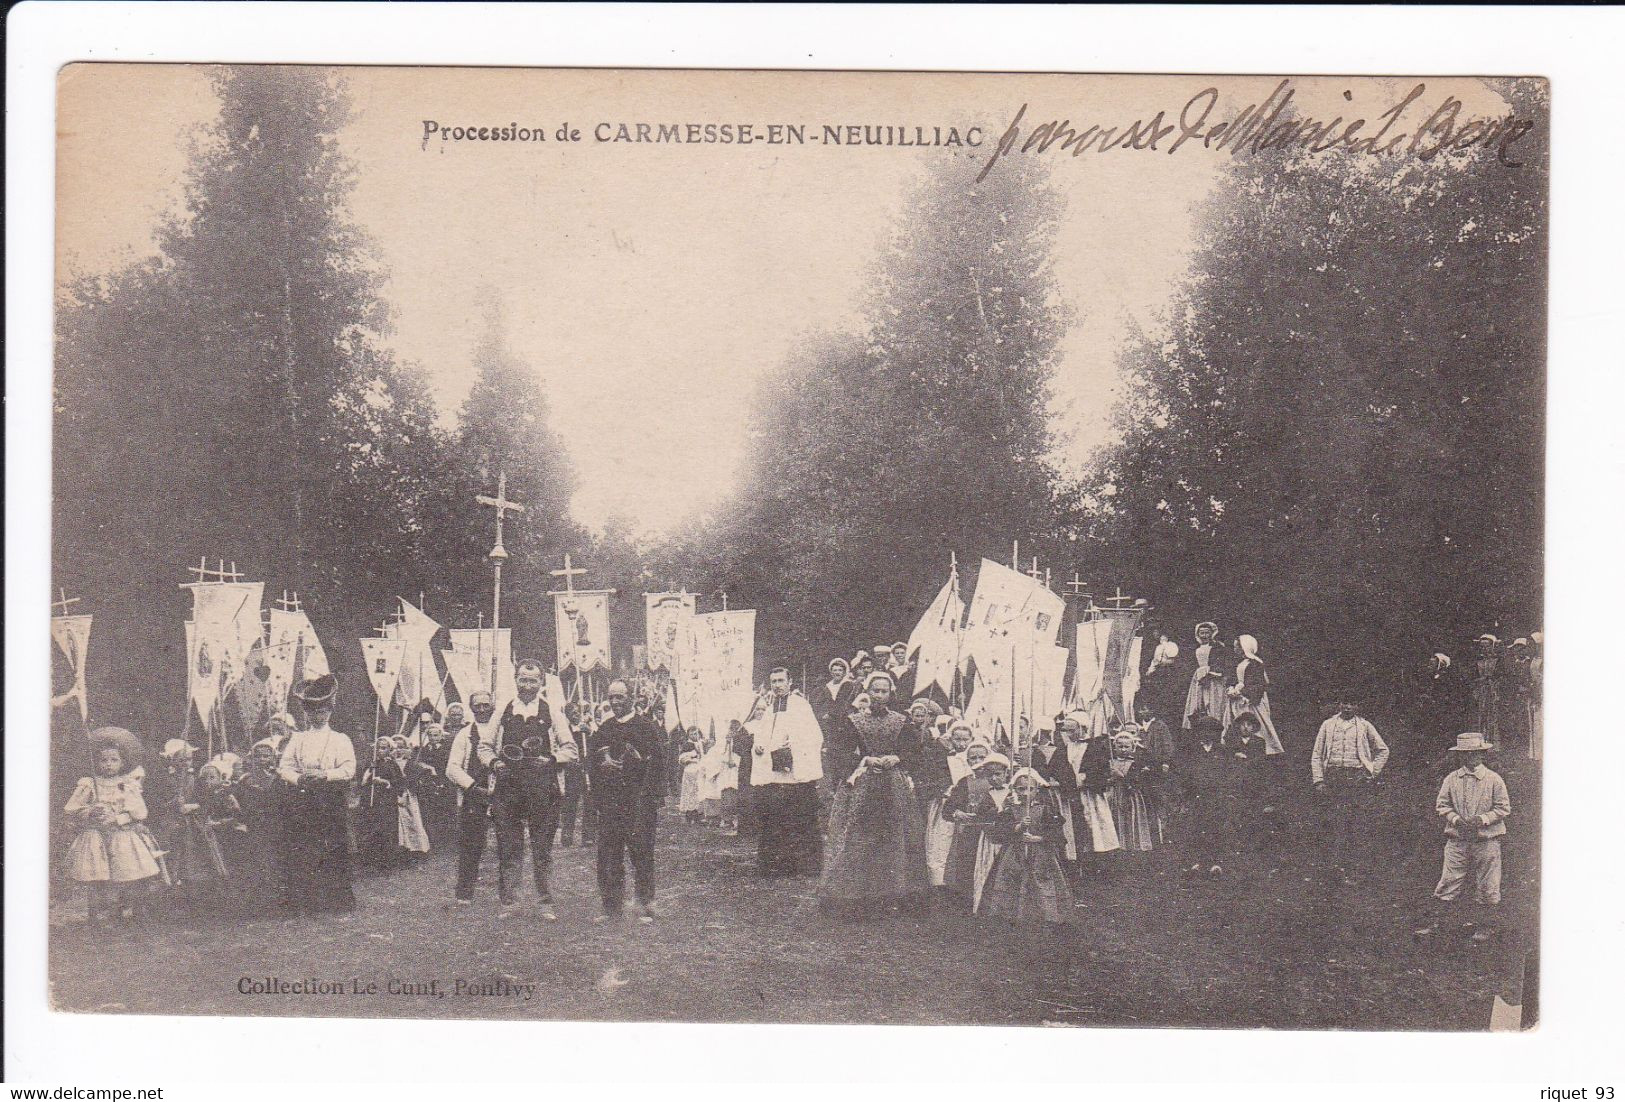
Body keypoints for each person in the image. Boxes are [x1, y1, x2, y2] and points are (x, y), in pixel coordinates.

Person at [820, 672, 928, 914]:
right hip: (865, 783)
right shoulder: (853, 721)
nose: (880, 696)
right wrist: (864, 759)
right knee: (859, 833)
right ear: (867, 692)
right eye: (875, 691)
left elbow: (916, 753)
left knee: (895, 834)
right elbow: (838, 752)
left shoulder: (902, 721)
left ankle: (894, 893)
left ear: (891, 694)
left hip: (893, 784)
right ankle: (857, 894)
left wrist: (897, 757)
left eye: (884, 691)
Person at [480, 660, 569, 919]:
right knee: (509, 847)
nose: (527, 685)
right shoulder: (503, 711)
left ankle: (545, 903)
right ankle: (510, 903)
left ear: (542, 682)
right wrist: (494, 762)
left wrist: (551, 760)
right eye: (523, 679)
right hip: (508, 787)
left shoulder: (552, 711)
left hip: (542, 789)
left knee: (542, 849)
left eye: (533, 680)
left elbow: (570, 748)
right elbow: (484, 746)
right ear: (516, 680)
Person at [63, 728, 164, 924]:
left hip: (120, 833)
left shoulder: (126, 784)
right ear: (96, 762)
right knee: (97, 874)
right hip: (95, 834)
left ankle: (125, 909)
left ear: (122, 762)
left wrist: (117, 819)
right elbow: (72, 808)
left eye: (114, 760)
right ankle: (98, 912)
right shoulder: (90, 784)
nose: (108, 764)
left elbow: (139, 813)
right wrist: (90, 811)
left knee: (124, 872)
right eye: (104, 760)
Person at [1419, 733, 1511, 944]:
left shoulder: (1494, 779)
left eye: (1476, 753)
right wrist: (1456, 819)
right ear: (1460, 756)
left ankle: (1484, 926)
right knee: (1449, 880)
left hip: (1486, 839)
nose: (1472, 757)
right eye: (1466, 754)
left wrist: (1482, 819)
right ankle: (1437, 924)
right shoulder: (1451, 779)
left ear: (1482, 754)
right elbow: (1442, 805)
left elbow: (1503, 807)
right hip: (1457, 839)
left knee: (1488, 883)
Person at [276, 675, 357, 914]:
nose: (317, 716)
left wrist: (325, 775)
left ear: (330, 712)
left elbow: (348, 769)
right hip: (303, 798)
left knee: (333, 846)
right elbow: (284, 767)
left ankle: (338, 900)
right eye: (312, 712)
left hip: (330, 798)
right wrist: (299, 778)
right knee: (306, 847)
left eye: (322, 711)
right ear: (306, 713)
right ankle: (310, 900)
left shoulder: (340, 739)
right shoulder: (298, 739)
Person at [587, 679, 666, 922]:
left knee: (641, 852)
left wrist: (649, 794)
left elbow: (659, 765)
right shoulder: (605, 728)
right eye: (611, 697)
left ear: (631, 698)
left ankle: (644, 904)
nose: (615, 702)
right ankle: (611, 906)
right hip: (611, 802)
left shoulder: (646, 727)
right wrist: (603, 765)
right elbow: (592, 762)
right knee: (609, 854)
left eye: (620, 697)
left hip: (638, 801)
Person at [749, 667, 826, 877]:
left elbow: (814, 736)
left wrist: (793, 750)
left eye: (781, 680)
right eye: (773, 681)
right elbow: (762, 735)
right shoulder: (770, 707)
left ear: (790, 682)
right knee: (774, 820)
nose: (777, 685)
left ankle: (804, 865)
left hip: (796, 773)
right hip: (774, 773)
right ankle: (776, 865)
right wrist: (759, 746)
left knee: (800, 819)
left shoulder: (801, 706)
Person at [980, 767, 1077, 928]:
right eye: (1021, 789)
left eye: (1030, 789)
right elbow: (999, 834)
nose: (1025, 793)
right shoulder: (1010, 810)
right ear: (1014, 790)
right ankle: (1014, 914)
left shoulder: (1045, 810)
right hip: (1014, 855)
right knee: (1012, 880)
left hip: (1041, 855)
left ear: (1037, 790)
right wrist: (1017, 827)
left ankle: (1046, 915)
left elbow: (1058, 835)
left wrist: (1038, 838)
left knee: (1043, 881)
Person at [1309, 698, 1389, 886]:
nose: (1348, 707)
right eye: (1345, 703)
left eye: (1353, 703)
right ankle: (1332, 871)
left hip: (1356, 780)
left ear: (1358, 706)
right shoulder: (1328, 725)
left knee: (1356, 824)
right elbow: (1317, 754)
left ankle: (1355, 870)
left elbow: (1383, 750)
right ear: (1339, 704)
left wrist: (1371, 771)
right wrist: (1319, 780)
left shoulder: (1364, 726)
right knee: (1333, 824)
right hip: (1333, 778)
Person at [444, 690, 496, 904]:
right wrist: (473, 787)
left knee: (507, 844)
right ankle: (464, 892)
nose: (482, 709)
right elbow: (452, 768)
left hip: (501, 791)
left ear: (493, 706)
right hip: (474, 794)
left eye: (486, 705)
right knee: (471, 844)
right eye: (478, 705)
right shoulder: (464, 735)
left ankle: (506, 896)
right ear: (471, 708)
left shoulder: (501, 731)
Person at [942, 750, 1009, 909]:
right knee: (972, 866)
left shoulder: (1007, 788)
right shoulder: (965, 782)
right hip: (972, 833)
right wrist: (958, 813)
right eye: (973, 758)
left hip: (997, 834)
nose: (977, 761)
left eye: (981, 757)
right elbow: (949, 809)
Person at [233, 737, 285, 912]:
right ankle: (260, 902)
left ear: (272, 758)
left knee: (276, 859)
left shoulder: (278, 777)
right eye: (258, 756)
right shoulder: (246, 780)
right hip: (255, 823)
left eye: (266, 756)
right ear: (252, 759)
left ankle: (278, 899)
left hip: (275, 822)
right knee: (259, 860)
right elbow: (240, 801)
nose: (262, 760)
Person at [1227, 634, 1284, 755]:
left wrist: (1242, 692)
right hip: (1237, 700)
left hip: (1250, 700)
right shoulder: (1237, 663)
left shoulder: (1255, 663)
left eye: (1237, 646)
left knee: (1256, 724)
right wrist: (1231, 688)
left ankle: (1265, 750)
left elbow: (1258, 684)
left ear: (1244, 647)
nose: (1235, 649)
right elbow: (1233, 679)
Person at [1182, 622, 1232, 731]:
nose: (1204, 636)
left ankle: (1217, 727)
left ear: (1212, 634)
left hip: (1214, 679)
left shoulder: (1218, 647)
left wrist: (1209, 675)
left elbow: (1221, 665)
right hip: (1199, 677)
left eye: (1207, 633)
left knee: (1214, 704)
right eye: (1202, 633)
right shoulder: (1196, 648)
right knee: (1198, 704)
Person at [557, 702, 591, 846]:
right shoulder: (565, 731)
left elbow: (594, 747)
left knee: (589, 803)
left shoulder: (587, 729)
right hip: (572, 771)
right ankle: (567, 836)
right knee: (570, 804)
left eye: (578, 713)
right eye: (573, 714)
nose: (576, 716)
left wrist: (589, 732)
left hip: (587, 769)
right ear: (568, 716)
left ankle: (588, 836)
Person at [1470, 634, 1503, 743]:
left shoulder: (1498, 660)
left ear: (1492, 646)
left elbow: (1501, 676)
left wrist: (1492, 681)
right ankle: (1479, 741)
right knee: (1480, 716)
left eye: (1487, 646)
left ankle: (1493, 744)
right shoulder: (1477, 660)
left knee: (1493, 716)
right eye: (1482, 646)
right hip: (1480, 691)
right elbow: (1473, 676)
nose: (1484, 649)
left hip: (1493, 691)